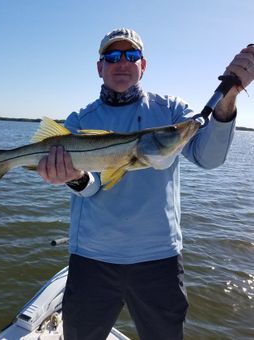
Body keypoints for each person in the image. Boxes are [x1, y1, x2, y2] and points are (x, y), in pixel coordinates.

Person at [38, 28, 254, 339]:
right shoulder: (79, 121)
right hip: (92, 256)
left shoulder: (172, 110)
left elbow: (209, 158)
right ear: (100, 67)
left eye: (131, 55)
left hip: (158, 257)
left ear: (144, 64)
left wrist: (229, 97)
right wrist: (73, 177)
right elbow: (93, 186)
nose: (121, 62)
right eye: (112, 56)